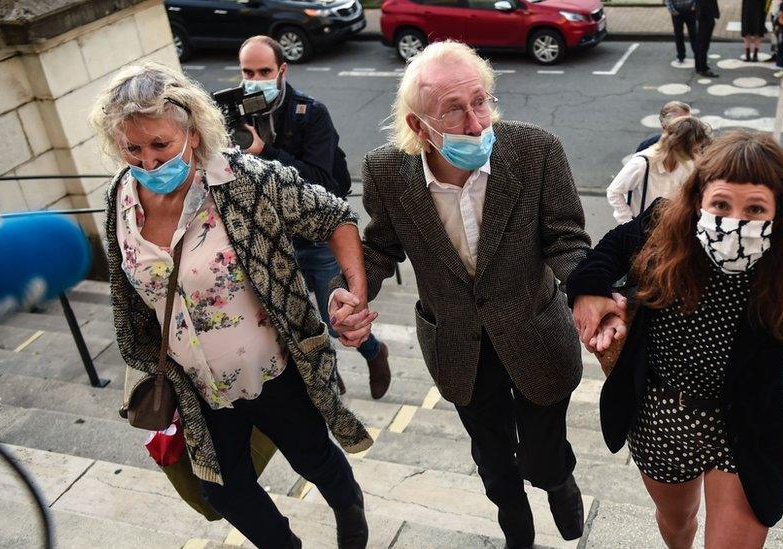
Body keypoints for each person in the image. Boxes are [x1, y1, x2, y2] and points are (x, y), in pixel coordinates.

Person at [90, 63, 376, 549]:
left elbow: (336, 215)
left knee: (311, 457)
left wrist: (355, 290)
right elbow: (129, 291)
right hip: (194, 384)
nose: (149, 163)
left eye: (161, 144)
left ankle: (348, 503)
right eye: (132, 149)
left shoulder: (246, 181)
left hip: (273, 369)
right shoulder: (118, 195)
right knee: (222, 489)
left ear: (193, 133)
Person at [330, 40, 592, 548]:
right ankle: (514, 523)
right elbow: (381, 247)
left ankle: (558, 481)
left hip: (536, 332)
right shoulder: (387, 172)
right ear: (417, 126)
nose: (476, 124)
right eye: (454, 110)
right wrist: (350, 293)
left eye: (481, 101)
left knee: (542, 455)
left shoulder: (536, 150)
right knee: (493, 462)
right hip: (456, 344)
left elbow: (566, 239)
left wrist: (589, 293)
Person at [568, 130, 783, 549]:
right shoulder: (663, 228)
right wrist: (588, 290)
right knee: (677, 522)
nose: (734, 221)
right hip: (661, 420)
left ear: (781, 212)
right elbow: (612, 246)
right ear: (698, 200)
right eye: (721, 204)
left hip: (745, 431)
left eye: (755, 208)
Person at [237, 35, 392, 399]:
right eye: (247, 71)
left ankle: (375, 351)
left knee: (336, 319)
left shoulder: (310, 112)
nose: (254, 79)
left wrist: (265, 152)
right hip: (271, 241)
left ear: (282, 70)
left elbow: (321, 181)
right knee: (298, 324)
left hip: (317, 239)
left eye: (263, 70)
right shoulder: (236, 113)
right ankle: (329, 375)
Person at [607, 117, 711, 224]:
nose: (697, 155)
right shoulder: (642, 163)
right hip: (640, 229)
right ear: (679, 147)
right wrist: (627, 222)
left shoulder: (688, 165)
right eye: (694, 150)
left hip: (668, 226)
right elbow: (614, 192)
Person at [694, 0, 721, 77]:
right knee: (703, 44)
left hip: (702, 14)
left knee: (700, 42)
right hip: (705, 15)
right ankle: (703, 69)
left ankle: (699, 66)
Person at [666, 0, 698, 64]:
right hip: (677, 11)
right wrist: (672, 10)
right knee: (678, 35)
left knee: (694, 34)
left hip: (690, 10)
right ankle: (681, 56)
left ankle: (698, 56)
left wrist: (694, 6)